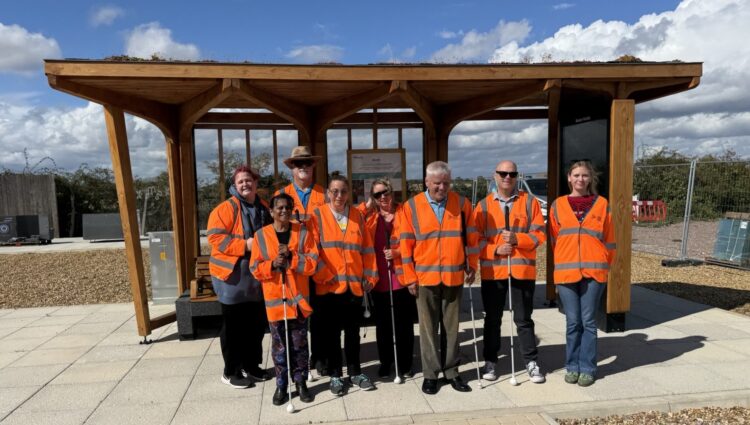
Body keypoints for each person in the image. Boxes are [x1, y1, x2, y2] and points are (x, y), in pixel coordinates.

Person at [399, 161, 478, 395]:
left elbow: (471, 238)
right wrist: (409, 278)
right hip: (425, 278)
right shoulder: (411, 207)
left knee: (452, 329)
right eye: (437, 183)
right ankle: (431, 374)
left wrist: (472, 265)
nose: (442, 188)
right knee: (428, 329)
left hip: (453, 276)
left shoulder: (462, 204)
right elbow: (405, 245)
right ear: (426, 182)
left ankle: (452, 372)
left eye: (445, 183)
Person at [473, 160, 547, 384]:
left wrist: (517, 239)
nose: (507, 177)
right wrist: (495, 249)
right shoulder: (483, 205)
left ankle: (531, 362)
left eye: (512, 173)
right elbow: (475, 241)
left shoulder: (529, 203)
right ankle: (491, 361)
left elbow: (539, 235)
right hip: (494, 273)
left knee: (524, 320)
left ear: (517, 177)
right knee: (492, 320)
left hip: (521, 271)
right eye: (503, 173)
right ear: (495, 175)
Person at [549, 160, 616, 387]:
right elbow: (554, 239)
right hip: (567, 273)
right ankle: (572, 366)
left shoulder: (602, 204)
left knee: (588, 322)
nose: (580, 179)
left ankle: (587, 368)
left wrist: (604, 265)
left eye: (585, 175)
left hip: (594, 273)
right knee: (572, 322)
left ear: (590, 179)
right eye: (576, 175)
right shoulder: (557, 205)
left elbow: (610, 240)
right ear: (569, 178)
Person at [311, 173, 378, 396]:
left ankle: (355, 372)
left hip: (354, 287)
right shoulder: (317, 215)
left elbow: (367, 250)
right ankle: (335, 375)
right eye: (335, 191)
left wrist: (370, 277)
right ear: (328, 193)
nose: (339, 196)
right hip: (329, 287)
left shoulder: (357, 216)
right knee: (331, 334)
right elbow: (313, 252)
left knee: (353, 332)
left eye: (343, 191)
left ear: (349, 193)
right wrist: (324, 275)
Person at [207, 165, 272, 388]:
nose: (245, 184)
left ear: (256, 183)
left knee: (255, 325)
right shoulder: (224, 209)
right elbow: (215, 239)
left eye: (249, 180)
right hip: (231, 278)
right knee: (234, 327)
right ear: (234, 185)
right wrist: (245, 245)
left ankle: (251, 366)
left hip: (256, 278)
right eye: (240, 181)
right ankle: (230, 371)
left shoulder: (264, 207)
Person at [250, 193, 319, 405]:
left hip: (297, 302)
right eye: (279, 208)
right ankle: (281, 384)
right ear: (271, 211)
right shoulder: (261, 236)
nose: (284, 211)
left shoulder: (303, 233)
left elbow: (312, 263)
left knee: (300, 346)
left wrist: (292, 257)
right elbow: (254, 268)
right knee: (279, 347)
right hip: (275, 302)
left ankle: (300, 382)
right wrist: (271, 264)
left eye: (288, 207)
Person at [356, 179, 417, 379]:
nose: (383, 197)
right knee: (383, 326)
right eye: (377, 194)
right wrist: (367, 205)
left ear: (392, 192)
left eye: (386, 192)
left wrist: (398, 252)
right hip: (379, 279)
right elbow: (354, 216)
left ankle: (405, 363)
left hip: (402, 277)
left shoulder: (405, 212)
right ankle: (386, 362)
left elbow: (416, 242)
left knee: (404, 325)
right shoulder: (370, 218)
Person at [275, 145, 328, 377]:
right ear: (292, 168)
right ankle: (297, 361)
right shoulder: (281, 195)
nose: (303, 167)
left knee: (320, 314)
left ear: (313, 166)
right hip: (294, 265)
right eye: (298, 164)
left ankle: (320, 356)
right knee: (297, 315)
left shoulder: (324, 194)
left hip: (319, 262)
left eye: (307, 163)